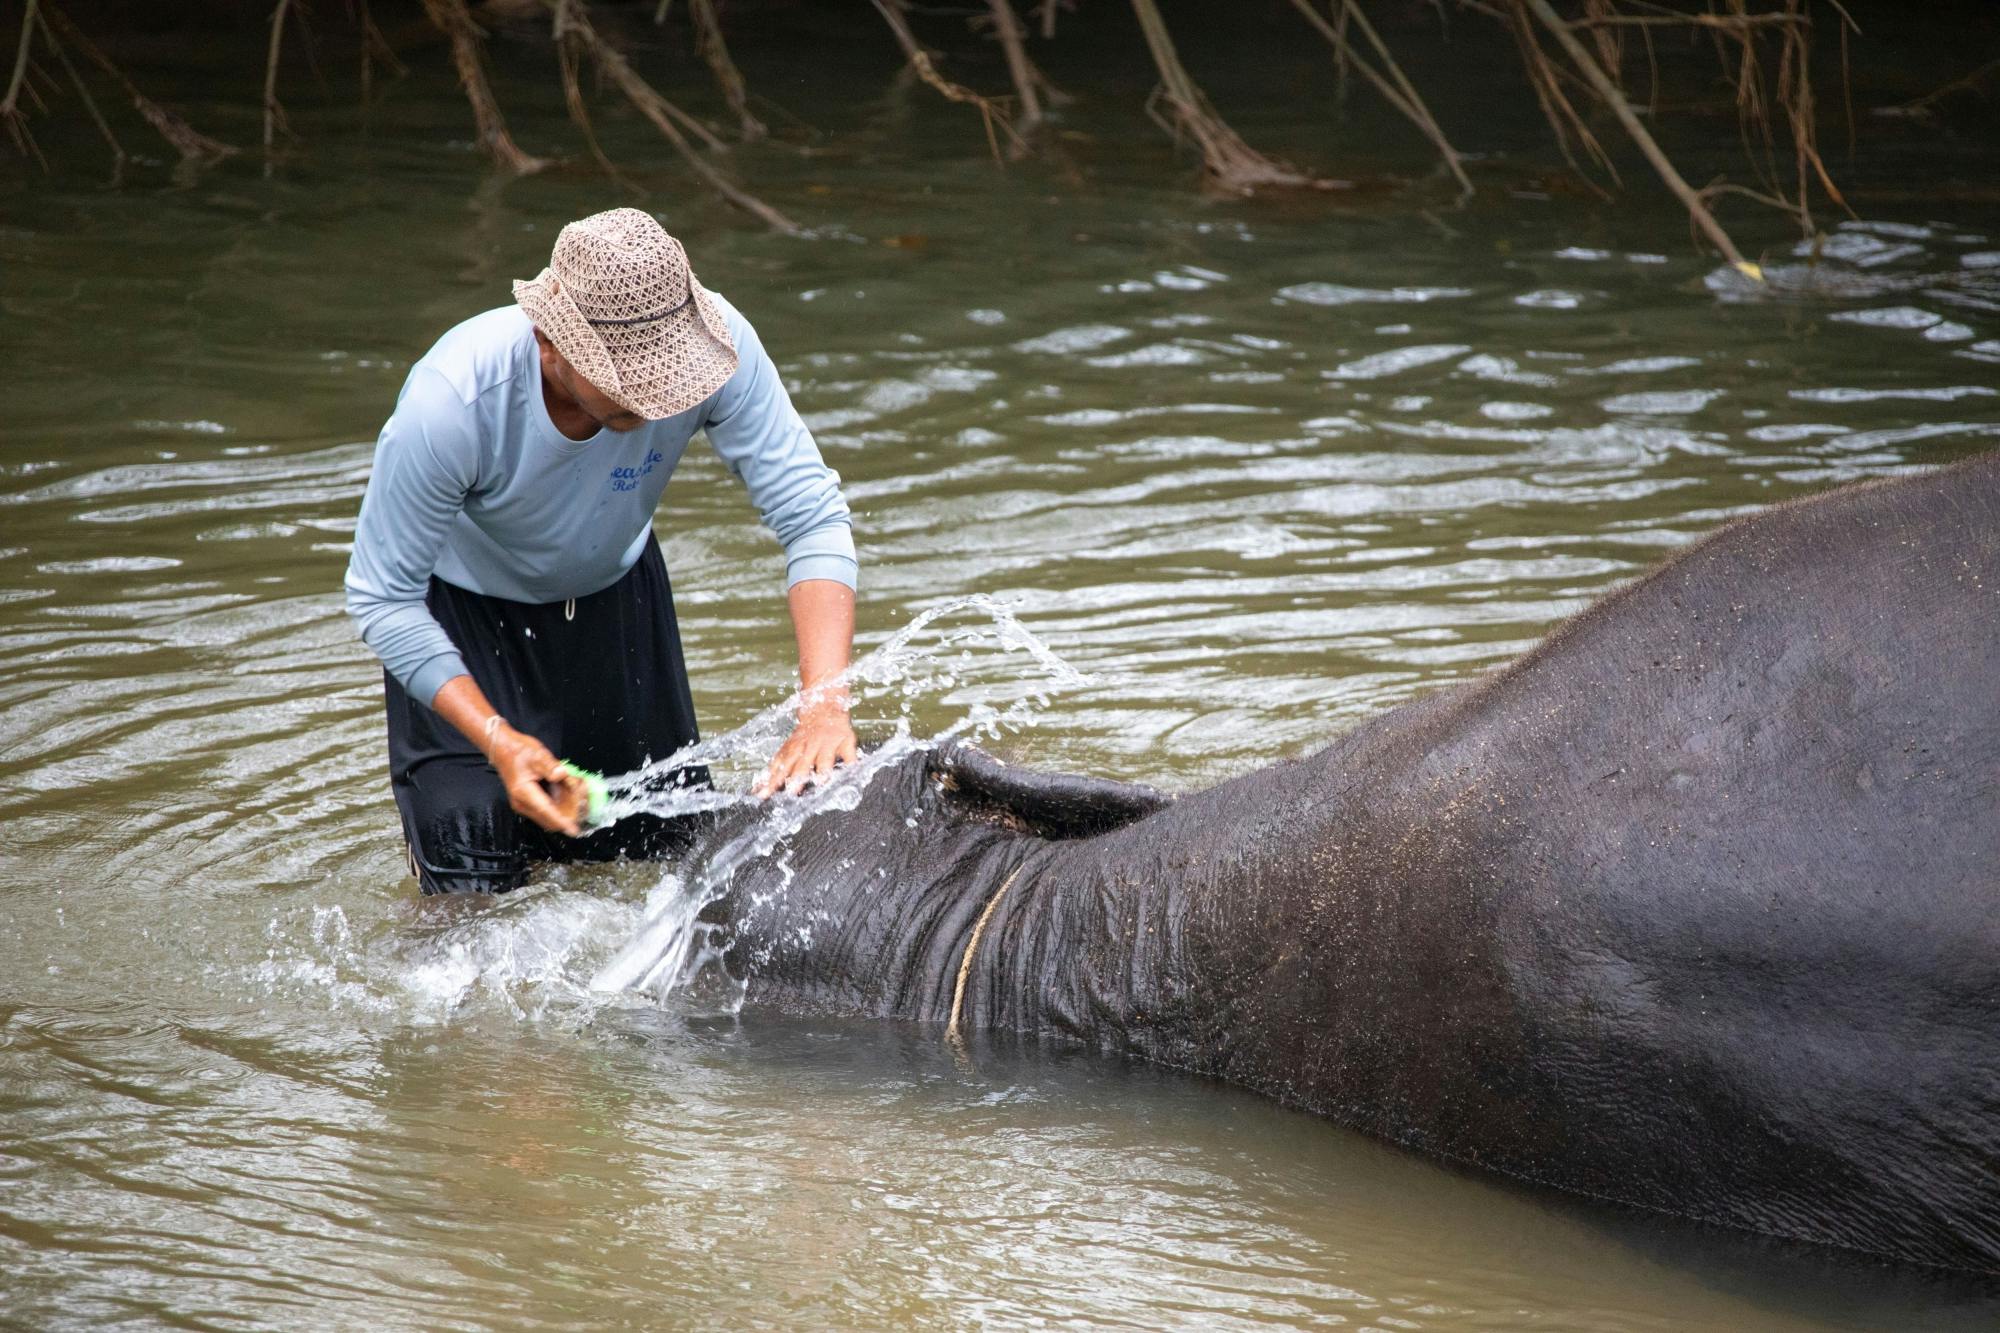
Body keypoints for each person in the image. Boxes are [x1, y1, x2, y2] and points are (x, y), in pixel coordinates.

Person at [344, 207, 857, 894]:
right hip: (459, 631)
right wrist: (497, 738)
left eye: (670, 376)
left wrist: (823, 704)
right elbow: (383, 597)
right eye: (630, 385)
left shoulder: (719, 350)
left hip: (618, 608)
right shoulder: (452, 405)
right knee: (469, 908)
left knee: (672, 871)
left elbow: (812, 515)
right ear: (549, 344)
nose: (663, 397)